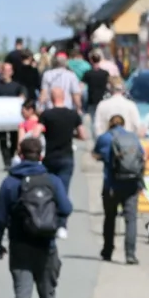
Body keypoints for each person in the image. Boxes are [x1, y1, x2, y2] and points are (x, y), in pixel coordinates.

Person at [0, 136, 73, 298]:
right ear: (41, 155)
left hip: (19, 243)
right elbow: (66, 207)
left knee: (22, 292)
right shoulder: (51, 180)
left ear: (20, 153)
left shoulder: (10, 182)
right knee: (47, 293)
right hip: (46, 245)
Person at [93, 115, 144, 266]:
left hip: (111, 184)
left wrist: (103, 158)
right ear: (124, 124)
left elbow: (95, 154)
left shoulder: (104, 138)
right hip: (131, 184)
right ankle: (130, 254)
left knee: (110, 217)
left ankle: (107, 251)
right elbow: (141, 157)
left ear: (110, 124)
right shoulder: (133, 138)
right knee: (131, 219)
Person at [36, 85, 86, 234]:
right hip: (66, 157)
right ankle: (62, 224)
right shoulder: (73, 114)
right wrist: (72, 135)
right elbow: (83, 135)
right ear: (64, 97)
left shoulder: (46, 115)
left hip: (50, 157)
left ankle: (48, 219)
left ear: (51, 98)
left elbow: (35, 132)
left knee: (48, 190)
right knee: (63, 190)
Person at [0, 62, 28, 168]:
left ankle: (11, 155)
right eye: (4, 70)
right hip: (1, 117)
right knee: (3, 140)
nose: (6, 72)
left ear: (12, 72)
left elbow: (23, 95)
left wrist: (22, 97)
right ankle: (7, 161)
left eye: (8, 70)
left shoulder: (16, 85)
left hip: (13, 117)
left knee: (14, 139)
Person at [82, 53, 111, 117]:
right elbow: (109, 85)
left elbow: (82, 86)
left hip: (92, 100)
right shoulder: (105, 73)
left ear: (91, 61)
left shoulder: (88, 73)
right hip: (103, 99)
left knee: (93, 120)